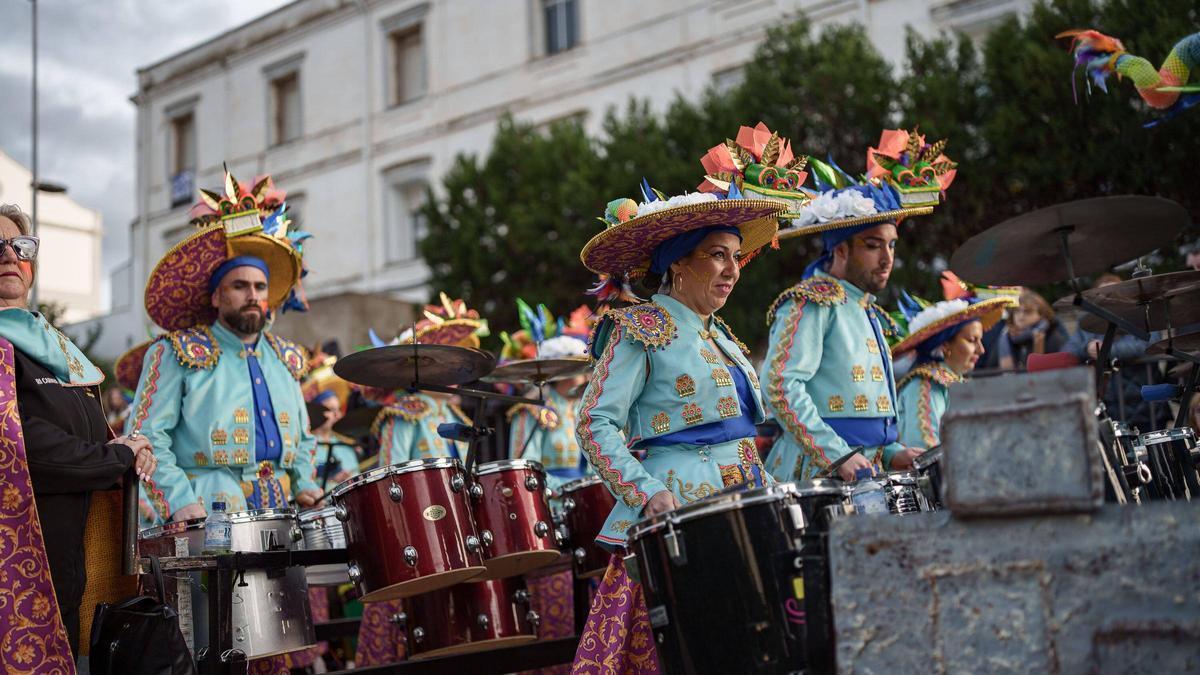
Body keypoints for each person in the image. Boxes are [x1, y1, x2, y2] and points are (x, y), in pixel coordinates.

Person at [571, 170, 784, 671]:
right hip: (678, 515)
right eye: (717, 254)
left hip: (746, 503)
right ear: (679, 262)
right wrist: (646, 493)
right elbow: (594, 422)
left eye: (736, 256)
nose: (732, 269)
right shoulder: (640, 327)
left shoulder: (721, 334)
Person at [0, 204, 156, 662]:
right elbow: (23, 446)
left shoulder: (53, 347)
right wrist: (116, 459)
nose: (9, 255)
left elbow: (86, 437)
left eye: (20, 245)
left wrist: (128, 448)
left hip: (61, 574)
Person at [126, 170, 321, 528]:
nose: (253, 295)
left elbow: (305, 439)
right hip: (205, 514)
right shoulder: (178, 351)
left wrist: (306, 483)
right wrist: (178, 501)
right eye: (240, 286)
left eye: (260, 287)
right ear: (216, 296)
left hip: (284, 514)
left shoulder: (286, 357)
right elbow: (147, 437)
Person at [762, 127, 957, 482]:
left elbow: (866, 414)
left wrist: (893, 452)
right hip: (817, 473)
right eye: (873, 245)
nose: (887, 258)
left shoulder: (866, 308)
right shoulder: (812, 301)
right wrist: (835, 455)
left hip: (867, 469)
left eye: (892, 245)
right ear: (840, 250)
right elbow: (780, 385)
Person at [354, 293, 487, 668]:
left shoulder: (453, 412)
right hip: (418, 529)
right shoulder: (403, 412)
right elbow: (390, 475)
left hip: (457, 524)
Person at [891, 272, 1015, 449]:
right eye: (972, 340)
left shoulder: (953, 380)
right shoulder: (926, 384)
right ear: (945, 345)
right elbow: (924, 451)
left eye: (980, 340)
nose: (981, 349)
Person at [504, 303, 594, 490]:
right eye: (581, 369)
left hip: (590, 495)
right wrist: (565, 489)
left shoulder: (589, 409)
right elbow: (525, 469)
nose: (588, 375)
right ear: (562, 373)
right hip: (552, 498)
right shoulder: (533, 410)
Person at [1064, 273, 1161, 431]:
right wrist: (1087, 348)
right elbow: (1068, 350)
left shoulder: (1140, 317)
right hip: (1107, 406)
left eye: (1114, 294)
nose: (1109, 299)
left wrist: (1107, 350)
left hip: (1143, 404)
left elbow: (1149, 344)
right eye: (1103, 295)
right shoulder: (1087, 323)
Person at [996, 289, 1067, 370]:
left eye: (1028, 312)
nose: (1021, 316)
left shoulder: (1052, 337)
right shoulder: (1007, 337)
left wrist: (1038, 351)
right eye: (1017, 311)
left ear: (1041, 314)